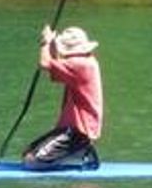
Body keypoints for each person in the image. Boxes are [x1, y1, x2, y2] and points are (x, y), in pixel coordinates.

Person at [23, 25, 103, 170]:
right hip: (70, 127)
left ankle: (80, 149)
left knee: (31, 162)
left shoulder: (80, 65)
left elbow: (45, 63)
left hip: (79, 130)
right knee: (27, 153)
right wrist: (52, 43)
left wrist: (45, 43)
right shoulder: (87, 60)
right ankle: (75, 153)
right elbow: (57, 62)